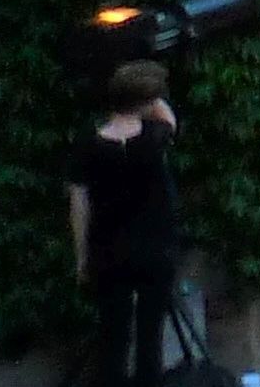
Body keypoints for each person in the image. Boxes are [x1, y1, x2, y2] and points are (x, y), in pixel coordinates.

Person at [71, 62, 181, 387]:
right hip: (155, 250)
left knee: (113, 341)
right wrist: (152, 97)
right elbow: (168, 118)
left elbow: (79, 206)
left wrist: (81, 257)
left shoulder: (88, 145)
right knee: (151, 341)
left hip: (108, 251)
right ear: (147, 100)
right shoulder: (154, 138)